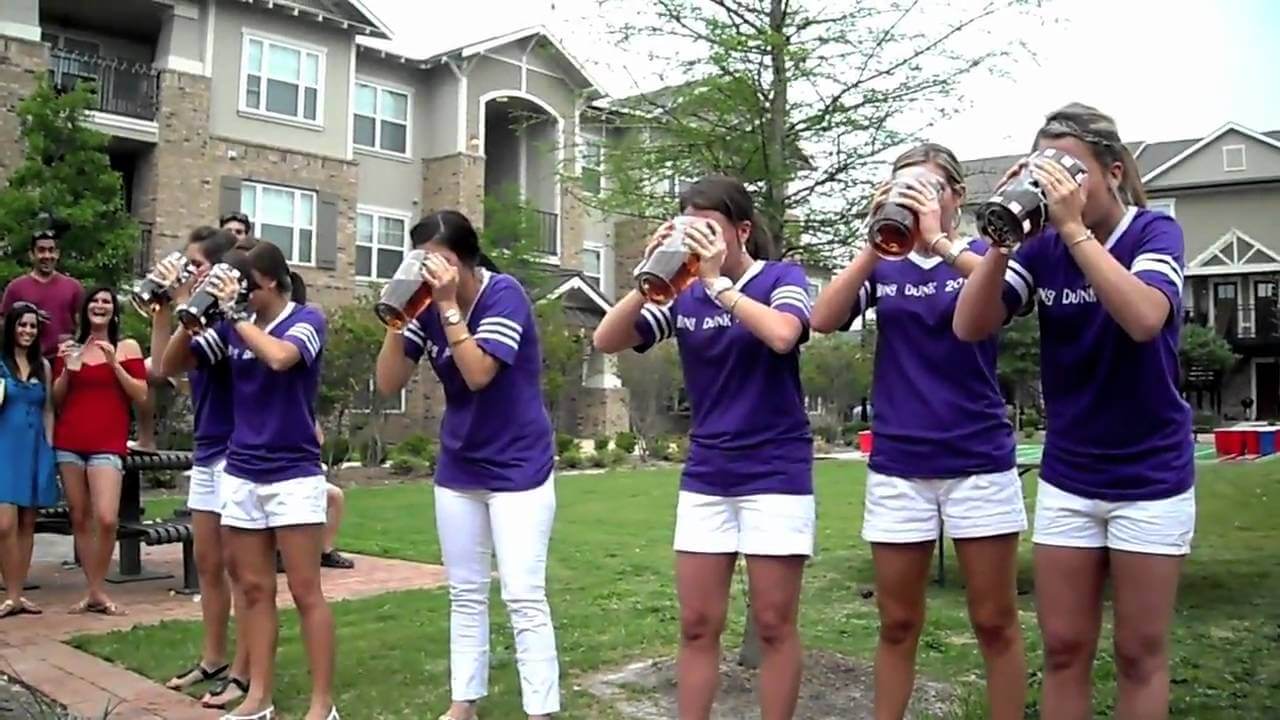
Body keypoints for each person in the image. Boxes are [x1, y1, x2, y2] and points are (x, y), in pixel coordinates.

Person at [953, 103, 1194, 720]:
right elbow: (971, 324)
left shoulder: (1153, 232)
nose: (1056, 184)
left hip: (1150, 476)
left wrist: (1074, 231)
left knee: (1139, 653)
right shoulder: (1040, 249)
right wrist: (1003, 240)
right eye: (1045, 170)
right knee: (1063, 650)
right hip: (1071, 476)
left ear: (1112, 172)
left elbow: (1144, 319)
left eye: (1070, 170)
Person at [811, 144, 1027, 720]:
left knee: (993, 619)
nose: (912, 200)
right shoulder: (886, 263)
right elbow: (823, 318)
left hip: (977, 459)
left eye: (926, 189)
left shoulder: (984, 254)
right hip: (900, 465)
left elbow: (999, 299)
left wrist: (937, 240)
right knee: (898, 621)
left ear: (956, 197)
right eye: (901, 189)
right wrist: (873, 239)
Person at [592, 176, 814, 720]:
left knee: (772, 624)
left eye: (710, 228)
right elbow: (607, 339)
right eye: (690, 227)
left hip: (775, 472)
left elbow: (784, 334)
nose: (699, 241)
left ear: (741, 231)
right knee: (696, 624)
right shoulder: (683, 293)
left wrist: (720, 285)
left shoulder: (780, 278)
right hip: (708, 475)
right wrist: (649, 276)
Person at [374, 210, 559, 720]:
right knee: (466, 593)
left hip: (519, 467)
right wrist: (398, 317)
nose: (431, 271)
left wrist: (449, 305)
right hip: (460, 467)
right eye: (422, 261)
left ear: (467, 262)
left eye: (442, 261)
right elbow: (389, 381)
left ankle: (540, 710)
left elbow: (478, 373)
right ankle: (463, 704)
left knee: (523, 594)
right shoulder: (424, 305)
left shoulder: (504, 295)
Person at [168, 243, 336, 720]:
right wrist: (185, 309)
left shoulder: (306, 319)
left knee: (305, 591)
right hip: (241, 472)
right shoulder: (234, 325)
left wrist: (235, 316)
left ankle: (323, 705)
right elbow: (173, 364)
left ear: (269, 283)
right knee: (255, 589)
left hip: (293, 474)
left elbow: (281, 358)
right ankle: (258, 697)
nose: (237, 294)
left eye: (245, 286)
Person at [152, 227, 251, 709]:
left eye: (194, 265)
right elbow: (160, 367)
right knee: (208, 564)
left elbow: (172, 363)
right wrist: (164, 309)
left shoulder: (228, 325)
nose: (187, 272)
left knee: (241, 570)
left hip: (238, 452)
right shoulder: (200, 323)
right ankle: (212, 659)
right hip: (208, 450)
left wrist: (186, 307)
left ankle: (245, 672)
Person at [51, 288, 149, 616]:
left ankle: (98, 589)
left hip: (107, 443)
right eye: (94, 301)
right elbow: (57, 400)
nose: (100, 305)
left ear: (114, 311)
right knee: (79, 517)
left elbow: (141, 394)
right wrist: (67, 369)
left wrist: (115, 366)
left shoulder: (127, 347)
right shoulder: (71, 348)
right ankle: (94, 592)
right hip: (70, 442)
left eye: (106, 301)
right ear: (85, 311)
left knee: (107, 518)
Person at [0, 302, 59, 618]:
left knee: (26, 523)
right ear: (11, 327)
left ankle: (16, 595)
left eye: (33, 326)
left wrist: (49, 447)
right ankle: (9, 589)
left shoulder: (43, 367)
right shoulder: (0, 364)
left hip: (35, 447)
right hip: (4, 447)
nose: (27, 331)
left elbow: (49, 408)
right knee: (4, 524)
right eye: (22, 325)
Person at [1, 218, 84, 359]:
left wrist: (75, 347)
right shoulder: (16, 287)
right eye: (41, 250)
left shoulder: (73, 287)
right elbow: (3, 324)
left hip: (64, 359)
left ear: (58, 253)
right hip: (28, 360)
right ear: (31, 255)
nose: (47, 256)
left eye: (51, 250)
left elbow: (83, 324)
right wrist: (27, 315)